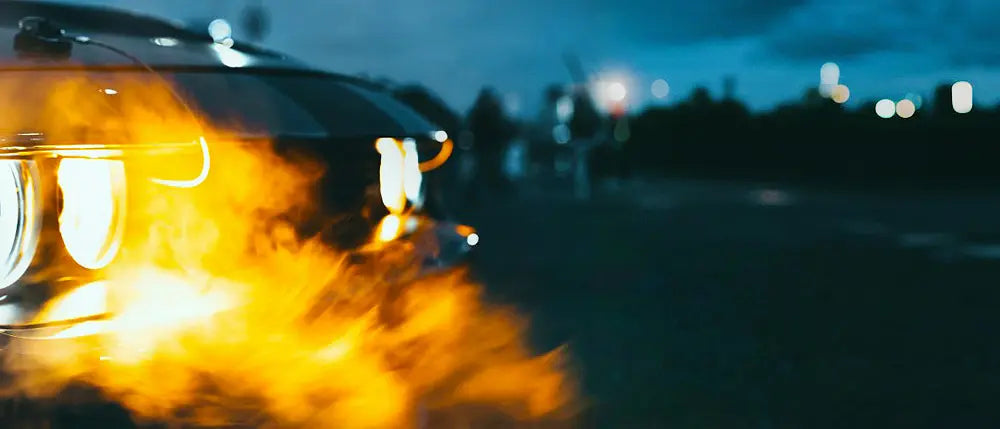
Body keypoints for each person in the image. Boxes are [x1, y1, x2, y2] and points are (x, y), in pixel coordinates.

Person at [466, 87, 516, 203]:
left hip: (489, 148)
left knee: (486, 172)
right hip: (488, 148)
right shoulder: (486, 113)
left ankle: (490, 195)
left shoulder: (483, 112)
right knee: (484, 172)